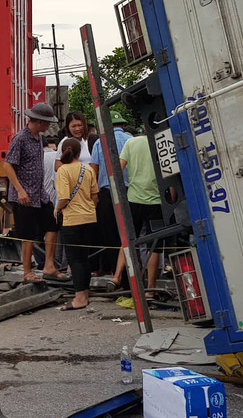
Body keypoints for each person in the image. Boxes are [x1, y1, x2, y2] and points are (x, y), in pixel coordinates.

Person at [3, 102, 58, 283]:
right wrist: (20, 190)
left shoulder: (38, 138)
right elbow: (7, 165)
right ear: (40, 122)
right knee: (27, 233)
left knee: (52, 225)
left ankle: (49, 265)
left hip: (39, 193)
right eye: (47, 123)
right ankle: (27, 272)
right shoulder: (20, 138)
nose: (49, 126)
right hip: (24, 195)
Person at [113, 133, 166, 290]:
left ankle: (116, 276)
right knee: (154, 245)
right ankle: (150, 287)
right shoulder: (162, 142)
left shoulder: (131, 142)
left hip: (133, 199)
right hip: (157, 201)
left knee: (127, 239)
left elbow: (119, 168)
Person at [53, 138, 99, 311]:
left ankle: (79, 297)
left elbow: (63, 197)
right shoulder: (87, 169)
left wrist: (56, 209)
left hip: (72, 219)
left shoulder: (63, 170)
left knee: (74, 259)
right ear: (80, 152)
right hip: (89, 218)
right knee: (84, 257)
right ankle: (84, 294)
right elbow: (95, 196)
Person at [90, 113, 133, 276]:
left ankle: (113, 269)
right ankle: (129, 270)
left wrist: (95, 194)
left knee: (109, 232)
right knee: (128, 232)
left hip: (107, 193)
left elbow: (94, 169)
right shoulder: (130, 140)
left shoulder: (99, 142)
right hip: (129, 191)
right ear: (122, 125)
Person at [34, 135, 66, 281]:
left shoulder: (37, 158)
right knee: (57, 233)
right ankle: (58, 263)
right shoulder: (57, 158)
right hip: (58, 200)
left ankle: (43, 263)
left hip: (42, 201)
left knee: (39, 235)